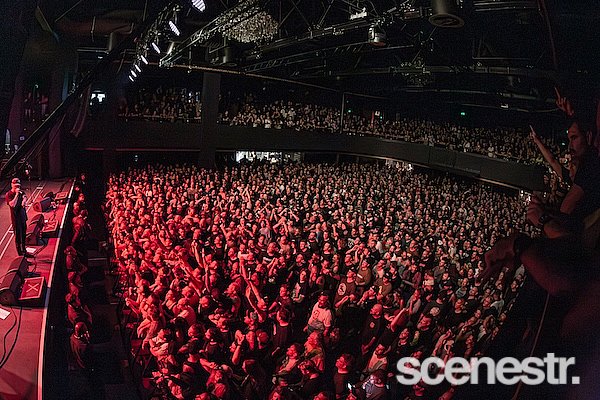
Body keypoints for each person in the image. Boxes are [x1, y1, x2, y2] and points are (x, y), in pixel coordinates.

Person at [5, 177, 30, 256]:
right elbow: (12, 204)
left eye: (18, 186)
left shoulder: (21, 192)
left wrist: (24, 201)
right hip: (16, 219)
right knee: (18, 236)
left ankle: (24, 251)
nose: (17, 187)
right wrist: (16, 194)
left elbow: (25, 197)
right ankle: (20, 254)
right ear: (11, 185)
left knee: (24, 235)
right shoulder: (9, 194)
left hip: (22, 216)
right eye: (15, 186)